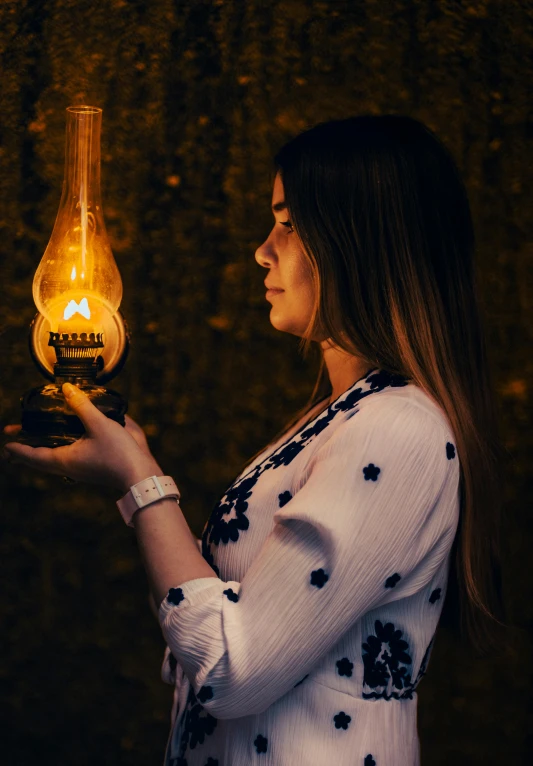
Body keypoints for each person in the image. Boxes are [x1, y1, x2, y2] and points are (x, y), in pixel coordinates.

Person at [2, 115, 508, 766]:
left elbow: (231, 669)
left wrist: (139, 483)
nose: (262, 250)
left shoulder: (395, 429)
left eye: (288, 224)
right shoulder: (338, 419)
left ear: (361, 241)